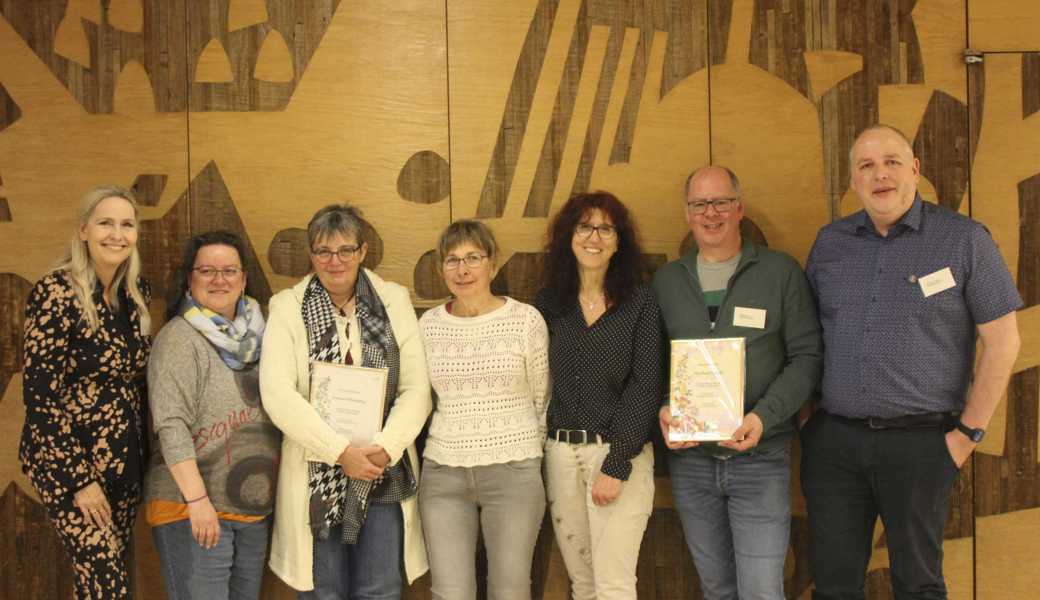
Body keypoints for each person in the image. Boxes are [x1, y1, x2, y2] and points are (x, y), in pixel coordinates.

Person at [803, 124, 1022, 599]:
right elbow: (808, 339)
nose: (880, 174)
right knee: (833, 587)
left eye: (892, 162)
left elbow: (1004, 342)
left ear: (915, 170)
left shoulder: (964, 240)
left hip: (923, 444)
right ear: (853, 180)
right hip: (835, 444)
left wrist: (967, 436)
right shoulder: (830, 244)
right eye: (866, 166)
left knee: (919, 586)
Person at [652, 166, 822, 599]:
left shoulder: (780, 272)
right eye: (699, 204)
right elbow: (653, 363)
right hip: (692, 464)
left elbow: (807, 358)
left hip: (760, 461)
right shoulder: (667, 281)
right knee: (716, 589)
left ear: (739, 208)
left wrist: (763, 417)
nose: (710, 213)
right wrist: (665, 408)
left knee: (762, 591)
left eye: (721, 202)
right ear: (687, 213)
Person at [260, 204, 432, 599]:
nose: (334, 261)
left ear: (363, 251)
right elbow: (277, 394)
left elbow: (416, 390)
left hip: (381, 469)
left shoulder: (393, 300)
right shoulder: (288, 306)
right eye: (323, 251)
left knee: (380, 589)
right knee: (324, 590)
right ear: (311, 255)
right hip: (317, 473)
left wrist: (384, 449)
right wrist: (339, 452)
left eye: (345, 250)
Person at [19, 184, 152, 599]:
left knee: (96, 582)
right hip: (70, 464)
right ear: (83, 230)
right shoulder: (56, 293)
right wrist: (79, 480)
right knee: (107, 585)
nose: (117, 234)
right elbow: (40, 398)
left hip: (123, 460)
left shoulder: (135, 296)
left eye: (127, 224)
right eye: (105, 223)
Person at [534, 191, 662, 600]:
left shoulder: (640, 301)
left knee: (614, 586)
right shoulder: (549, 302)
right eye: (585, 227)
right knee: (584, 585)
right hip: (561, 455)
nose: (594, 237)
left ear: (619, 241)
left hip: (618, 454)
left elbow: (646, 384)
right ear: (568, 236)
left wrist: (617, 463)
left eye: (606, 229)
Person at [144, 230, 280, 600]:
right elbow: (171, 425)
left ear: (244, 279)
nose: (219, 280)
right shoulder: (179, 338)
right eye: (207, 271)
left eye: (229, 271)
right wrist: (197, 501)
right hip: (192, 508)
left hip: (250, 510)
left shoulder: (263, 337)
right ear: (190, 279)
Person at [418, 219, 550, 600]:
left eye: (473, 257)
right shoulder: (429, 326)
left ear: (493, 264)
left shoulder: (525, 320)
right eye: (452, 260)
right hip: (444, 473)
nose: (463, 269)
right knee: (450, 592)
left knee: (510, 590)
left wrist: (526, 453)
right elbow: (421, 398)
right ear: (441, 269)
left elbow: (542, 397)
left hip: (513, 472)